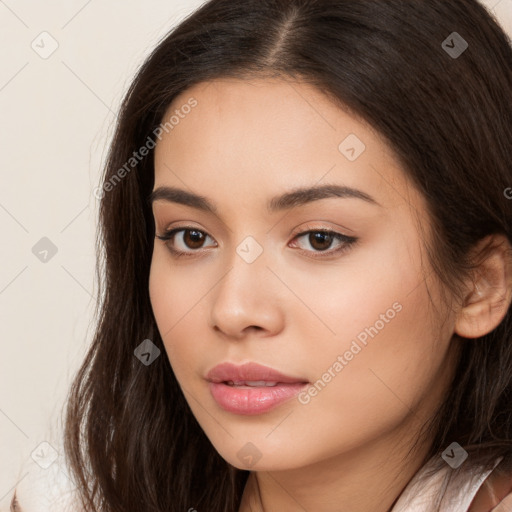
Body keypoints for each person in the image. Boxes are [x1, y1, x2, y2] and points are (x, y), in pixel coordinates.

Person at [11, 0, 512, 510]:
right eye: (190, 236)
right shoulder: (70, 497)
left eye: (320, 239)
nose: (232, 310)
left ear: (480, 284)